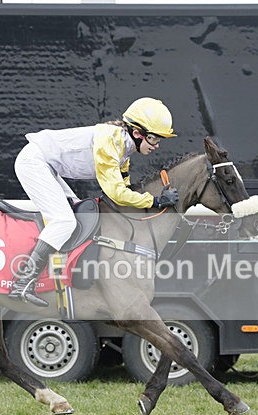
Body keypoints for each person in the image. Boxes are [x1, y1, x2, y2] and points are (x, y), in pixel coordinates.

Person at [9, 97, 180, 306]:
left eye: (159, 140)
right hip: (34, 163)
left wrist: (156, 198)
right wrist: (155, 200)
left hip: (47, 166)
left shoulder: (123, 151)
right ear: (137, 133)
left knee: (76, 215)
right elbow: (116, 193)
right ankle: (23, 282)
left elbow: (126, 191)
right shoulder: (111, 141)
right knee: (64, 222)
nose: (157, 145)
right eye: (153, 138)